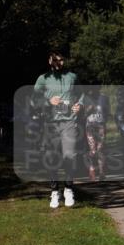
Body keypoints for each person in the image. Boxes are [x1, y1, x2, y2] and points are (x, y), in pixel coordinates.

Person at [33, 49, 83, 209]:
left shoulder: (72, 77)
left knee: (70, 155)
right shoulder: (43, 78)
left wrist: (79, 105)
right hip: (50, 123)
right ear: (49, 61)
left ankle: (68, 188)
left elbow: (82, 94)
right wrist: (48, 101)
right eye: (55, 60)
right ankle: (54, 192)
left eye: (61, 60)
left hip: (69, 122)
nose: (58, 63)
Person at [83, 88, 109, 181]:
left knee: (100, 149)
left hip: (101, 126)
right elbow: (82, 115)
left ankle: (102, 172)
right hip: (90, 126)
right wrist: (88, 110)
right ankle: (91, 169)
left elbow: (107, 111)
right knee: (93, 150)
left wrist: (104, 121)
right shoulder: (85, 98)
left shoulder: (104, 97)